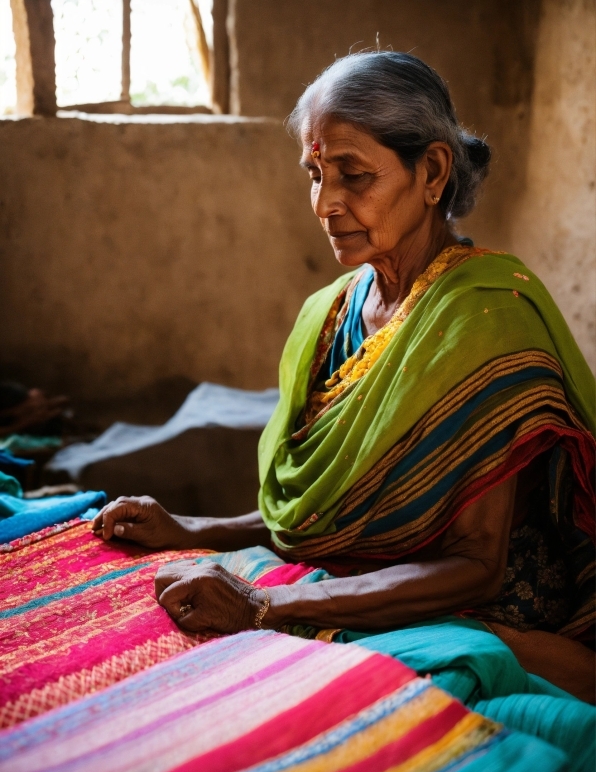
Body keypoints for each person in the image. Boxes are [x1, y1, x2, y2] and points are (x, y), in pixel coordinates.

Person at [92, 52, 595, 704]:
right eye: (315, 174)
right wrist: (191, 529)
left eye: (354, 176)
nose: (326, 203)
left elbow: (474, 567)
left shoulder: (486, 320)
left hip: (494, 604)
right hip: (373, 576)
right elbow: (330, 519)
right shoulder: (334, 312)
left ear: (433, 172)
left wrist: (271, 607)